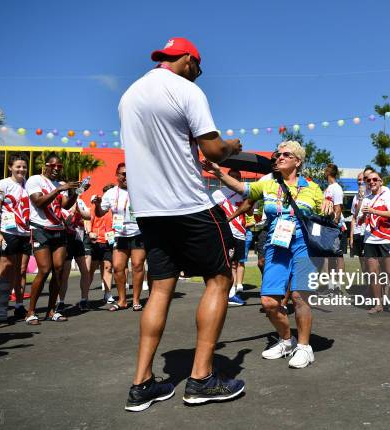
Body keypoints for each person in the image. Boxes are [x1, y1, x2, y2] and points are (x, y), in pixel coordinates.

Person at [120, 37, 244, 411]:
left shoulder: (129, 94)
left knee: (160, 289)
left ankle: (142, 384)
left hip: (149, 209)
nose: (199, 75)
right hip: (188, 204)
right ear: (188, 59)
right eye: (199, 68)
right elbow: (213, 149)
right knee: (220, 279)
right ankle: (202, 379)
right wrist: (233, 146)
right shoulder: (185, 90)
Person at [206, 140, 324, 369]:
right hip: (276, 245)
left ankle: (304, 347)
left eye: (285, 155)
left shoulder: (312, 188)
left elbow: (326, 216)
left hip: (303, 246)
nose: (278, 158)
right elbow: (243, 190)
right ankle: (286, 339)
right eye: (277, 155)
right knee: (269, 302)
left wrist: (329, 207)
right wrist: (218, 173)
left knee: (300, 297)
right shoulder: (268, 184)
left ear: (297, 161)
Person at [24, 153, 80, 325]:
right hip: (40, 229)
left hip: (58, 230)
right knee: (44, 269)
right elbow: (39, 202)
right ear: (45, 165)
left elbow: (65, 205)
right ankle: (31, 312)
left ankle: (51, 310)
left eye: (60, 167)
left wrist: (77, 193)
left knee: (59, 270)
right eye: (53, 166)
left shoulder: (59, 184)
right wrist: (58, 190)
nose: (56, 169)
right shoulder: (35, 180)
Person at [94, 163, 146, 312]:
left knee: (137, 266)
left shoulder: (140, 191)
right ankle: (122, 300)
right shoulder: (110, 193)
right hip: (120, 235)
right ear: (117, 176)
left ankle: (136, 300)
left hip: (138, 233)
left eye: (128, 174)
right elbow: (99, 213)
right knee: (117, 267)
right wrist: (97, 205)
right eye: (122, 174)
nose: (125, 177)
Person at [0, 154, 31, 321]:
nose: (21, 169)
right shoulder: (3, 184)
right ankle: (1, 308)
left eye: (24, 167)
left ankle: (19, 306)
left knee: (21, 271)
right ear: (10, 167)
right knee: (6, 268)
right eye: (18, 166)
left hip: (26, 233)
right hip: (8, 233)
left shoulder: (29, 185)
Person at [357, 171, 390, 317]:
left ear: (380, 181)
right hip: (370, 240)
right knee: (373, 274)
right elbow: (360, 221)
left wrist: (373, 210)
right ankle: (378, 304)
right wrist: (364, 215)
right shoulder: (366, 198)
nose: (371, 182)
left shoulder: (387, 194)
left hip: (385, 239)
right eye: (368, 180)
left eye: (374, 179)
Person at [211, 169, 246, 306]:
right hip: (225, 232)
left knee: (235, 263)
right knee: (225, 262)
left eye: (238, 177)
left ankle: (231, 293)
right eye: (232, 176)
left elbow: (249, 210)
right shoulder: (218, 193)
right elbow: (212, 211)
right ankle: (223, 292)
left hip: (240, 231)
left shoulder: (244, 193)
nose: (235, 178)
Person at [57, 196, 92, 311]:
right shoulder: (57, 202)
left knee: (85, 271)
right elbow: (64, 223)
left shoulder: (79, 201)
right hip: (65, 240)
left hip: (79, 240)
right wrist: (72, 212)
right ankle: (60, 302)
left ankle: (84, 300)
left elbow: (88, 216)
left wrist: (79, 210)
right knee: (65, 273)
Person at [86, 184, 115, 304]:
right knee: (91, 270)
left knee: (108, 268)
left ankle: (107, 294)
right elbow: (89, 221)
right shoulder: (96, 207)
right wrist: (90, 232)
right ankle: (85, 295)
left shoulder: (114, 208)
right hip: (96, 242)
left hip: (109, 242)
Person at [321, 163, 346, 294]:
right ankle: (331, 286)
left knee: (338, 256)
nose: (324, 172)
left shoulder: (336, 188)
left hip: (335, 227)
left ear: (329, 172)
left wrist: (335, 224)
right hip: (327, 226)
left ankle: (338, 286)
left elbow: (338, 207)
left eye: (325, 170)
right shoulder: (328, 188)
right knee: (329, 257)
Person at [349, 168, 375, 273]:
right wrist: (351, 237)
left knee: (371, 262)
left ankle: (378, 287)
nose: (360, 181)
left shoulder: (372, 194)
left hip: (368, 232)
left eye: (362, 179)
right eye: (358, 180)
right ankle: (367, 287)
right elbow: (354, 218)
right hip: (357, 233)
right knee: (362, 262)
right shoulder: (356, 197)